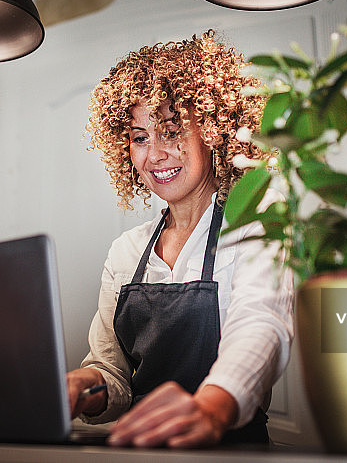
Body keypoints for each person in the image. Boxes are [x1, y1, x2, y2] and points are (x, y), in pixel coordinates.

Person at [66, 31, 294, 448]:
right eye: (139, 137)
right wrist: (84, 385)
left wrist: (211, 406)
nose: (154, 155)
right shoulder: (126, 252)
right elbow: (115, 379)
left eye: (172, 131)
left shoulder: (257, 223)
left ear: (214, 132)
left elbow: (263, 323)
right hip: (143, 449)